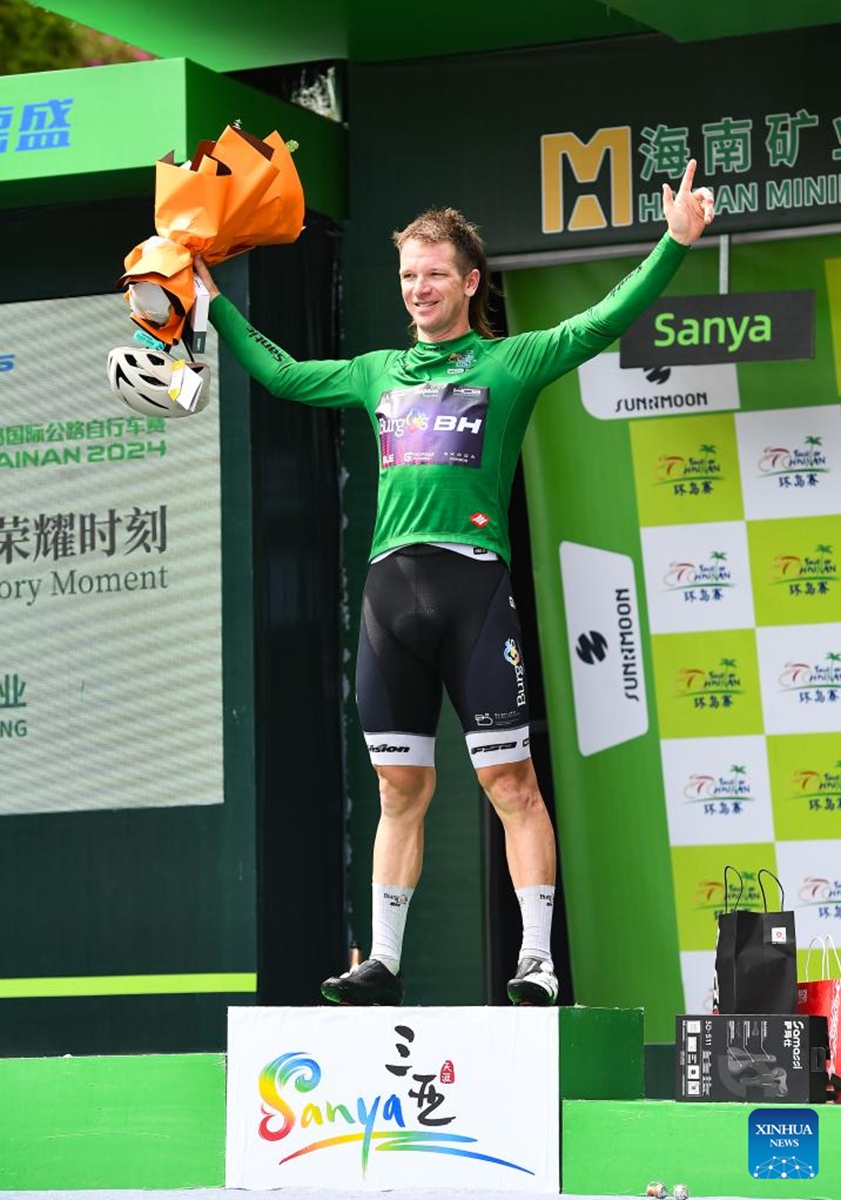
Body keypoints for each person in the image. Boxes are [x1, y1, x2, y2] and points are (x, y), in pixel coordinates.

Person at [195, 158, 714, 1008]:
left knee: (510, 785)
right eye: (407, 275)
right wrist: (214, 304)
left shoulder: (509, 364)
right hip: (389, 601)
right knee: (399, 790)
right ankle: (385, 963)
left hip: (473, 596)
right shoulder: (373, 374)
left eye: (434, 274)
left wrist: (672, 245)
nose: (417, 288)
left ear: (469, 282)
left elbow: (600, 320)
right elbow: (284, 375)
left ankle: (536, 961)